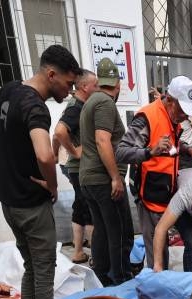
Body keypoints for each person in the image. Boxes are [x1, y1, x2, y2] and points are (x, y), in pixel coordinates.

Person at [0, 45, 80, 299]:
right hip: (30, 202)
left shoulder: (9, 90)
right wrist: (52, 186)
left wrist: (9, 151)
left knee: (31, 264)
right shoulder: (35, 107)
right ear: (51, 74)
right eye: (68, 83)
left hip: (9, 201)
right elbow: (44, 154)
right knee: (44, 266)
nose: (71, 90)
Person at [116, 75, 192, 269]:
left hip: (167, 191)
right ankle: (154, 291)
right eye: (182, 110)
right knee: (157, 254)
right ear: (169, 99)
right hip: (149, 194)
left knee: (183, 241)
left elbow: (169, 144)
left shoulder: (173, 118)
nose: (185, 116)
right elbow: (121, 152)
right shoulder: (147, 117)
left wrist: (185, 149)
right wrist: (150, 151)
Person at [80, 58, 133, 286]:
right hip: (103, 179)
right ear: (117, 84)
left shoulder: (91, 101)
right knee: (121, 231)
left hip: (89, 179)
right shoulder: (105, 103)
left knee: (101, 228)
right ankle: (121, 279)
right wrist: (115, 177)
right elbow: (103, 141)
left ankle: (100, 276)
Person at [53, 69, 97, 264]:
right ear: (84, 87)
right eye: (95, 85)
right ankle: (96, 255)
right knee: (89, 209)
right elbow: (59, 132)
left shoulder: (78, 105)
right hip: (80, 168)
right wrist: (74, 151)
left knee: (80, 206)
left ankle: (78, 252)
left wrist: (57, 154)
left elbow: (57, 135)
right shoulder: (77, 107)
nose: (97, 89)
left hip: (75, 168)